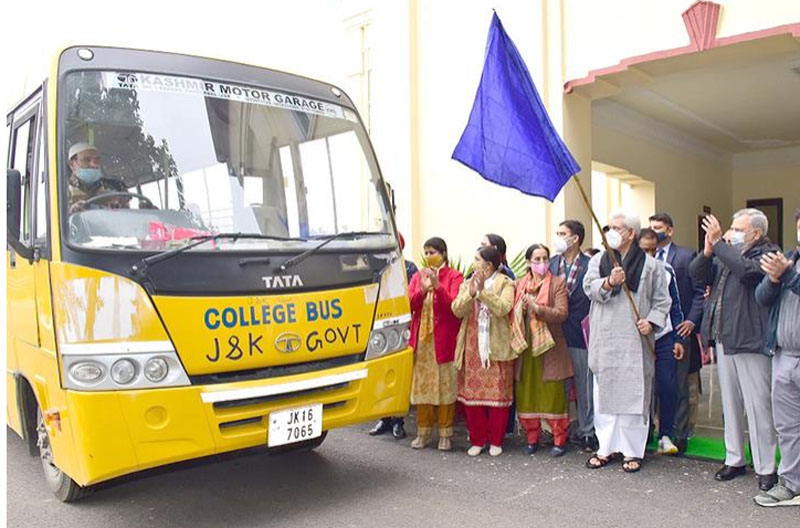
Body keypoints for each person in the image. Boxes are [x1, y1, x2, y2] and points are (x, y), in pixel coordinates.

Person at [689, 209, 779, 491]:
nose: (732, 231)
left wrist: (720, 245)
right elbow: (697, 275)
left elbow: (748, 273)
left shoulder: (766, 252)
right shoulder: (727, 252)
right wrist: (707, 251)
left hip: (750, 338)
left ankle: (766, 468)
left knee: (757, 405)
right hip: (725, 336)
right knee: (730, 404)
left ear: (756, 232)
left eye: (738, 228)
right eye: (732, 227)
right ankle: (734, 458)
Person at [583, 209, 671, 473]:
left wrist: (652, 322)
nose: (610, 232)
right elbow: (588, 288)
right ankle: (606, 448)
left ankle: (633, 451)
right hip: (606, 337)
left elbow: (662, 301)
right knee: (605, 396)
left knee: (634, 395)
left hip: (634, 340)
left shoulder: (652, 265)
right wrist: (609, 282)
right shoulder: (599, 261)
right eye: (608, 227)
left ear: (631, 233)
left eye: (616, 228)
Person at [753, 208, 800, 507]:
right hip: (784, 355)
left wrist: (789, 275)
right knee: (788, 426)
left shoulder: (789, 267)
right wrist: (772, 280)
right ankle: (792, 484)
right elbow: (761, 298)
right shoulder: (789, 259)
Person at [649, 212, 705, 455]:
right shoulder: (643, 259)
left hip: (678, 329)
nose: (654, 231)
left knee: (679, 385)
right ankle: (657, 431)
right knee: (655, 386)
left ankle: (679, 434)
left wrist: (691, 322)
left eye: (659, 228)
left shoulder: (685, 256)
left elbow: (698, 292)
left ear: (669, 230)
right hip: (652, 332)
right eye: (651, 227)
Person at [452, 246, 516, 457]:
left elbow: (503, 308)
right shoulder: (466, 283)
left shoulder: (506, 283)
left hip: (495, 346)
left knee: (498, 396)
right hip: (471, 346)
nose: (474, 262)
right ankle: (478, 440)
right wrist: (471, 292)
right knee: (472, 396)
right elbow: (457, 310)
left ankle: (496, 440)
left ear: (489, 264)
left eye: (477, 259)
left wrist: (483, 293)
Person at [402, 237, 464, 450]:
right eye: (426, 252)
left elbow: (455, 307)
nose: (429, 256)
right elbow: (409, 303)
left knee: (445, 386)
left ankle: (445, 434)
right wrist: (422, 290)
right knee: (422, 388)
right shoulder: (418, 276)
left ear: (443, 253)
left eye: (432, 252)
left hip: (444, 340)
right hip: (422, 342)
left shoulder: (455, 276)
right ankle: (423, 431)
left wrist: (438, 287)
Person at [512, 244, 573, 457]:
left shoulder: (557, 283)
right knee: (527, 392)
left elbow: (562, 313)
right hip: (525, 348)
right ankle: (532, 438)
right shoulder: (520, 285)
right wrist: (522, 309)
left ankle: (559, 439)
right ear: (528, 262)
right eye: (536, 259)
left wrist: (538, 309)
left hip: (550, 348)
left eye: (545, 258)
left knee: (552, 393)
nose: (541, 263)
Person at [549, 220, 596, 452]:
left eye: (562, 233)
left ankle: (588, 431)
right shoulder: (550, 264)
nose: (558, 237)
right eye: (557, 233)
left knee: (584, 383)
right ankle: (560, 430)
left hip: (580, 333)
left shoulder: (591, 265)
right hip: (555, 335)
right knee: (560, 386)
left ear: (575, 238)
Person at [640, 228, 685, 455]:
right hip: (638, 337)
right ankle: (642, 432)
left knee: (667, 386)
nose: (649, 255)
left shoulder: (666, 270)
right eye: (643, 250)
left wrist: (678, 338)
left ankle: (666, 433)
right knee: (641, 387)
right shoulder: (629, 271)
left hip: (664, 336)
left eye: (652, 250)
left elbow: (675, 305)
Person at [369, 233, 419, 439]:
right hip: (378, 327)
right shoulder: (375, 268)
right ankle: (383, 418)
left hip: (400, 326)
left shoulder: (409, 268)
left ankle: (398, 421)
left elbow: (412, 295)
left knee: (399, 376)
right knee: (380, 375)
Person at [67, 142, 129, 213]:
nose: (94, 165)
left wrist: (122, 205)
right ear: (72, 164)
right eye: (86, 160)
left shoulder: (112, 188)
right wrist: (71, 211)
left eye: (96, 160)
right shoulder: (60, 191)